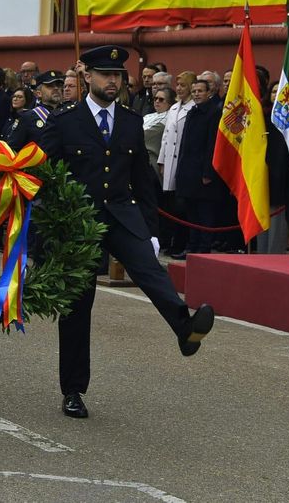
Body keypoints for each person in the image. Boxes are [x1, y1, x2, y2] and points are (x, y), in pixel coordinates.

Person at [40, 45, 214, 419]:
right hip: (79, 220)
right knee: (77, 306)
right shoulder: (65, 120)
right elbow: (40, 169)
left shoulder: (133, 121)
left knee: (150, 270)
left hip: (121, 214)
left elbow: (143, 182)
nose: (112, 81)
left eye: (118, 75)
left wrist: (152, 229)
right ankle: (73, 389)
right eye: (105, 74)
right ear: (88, 76)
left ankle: (184, 328)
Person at [175, 78, 227, 255]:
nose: (196, 94)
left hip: (203, 173)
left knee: (204, 213)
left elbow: (212, 145)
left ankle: (203, 248)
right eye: (194, 91)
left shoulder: (213, 113)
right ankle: (192, 246)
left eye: (200, 91)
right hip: (189, 171)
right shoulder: (192, 112)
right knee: (191, 214)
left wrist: (208, 172)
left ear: (209, 93)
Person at [157, 71, 197, 257]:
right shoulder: (173, 109)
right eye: (178, 85)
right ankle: (173, 240)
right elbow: (166, 137)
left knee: (183, 208)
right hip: (170, 162)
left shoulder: (194, 107)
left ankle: (183, 242)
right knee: (171, 205)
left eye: (183, 85)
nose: (179, 89)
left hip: (184, 163)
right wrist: (162, 160)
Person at [6, 70, 63, 151]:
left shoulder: (68, 113)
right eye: (50, 86)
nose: (56, 88)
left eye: (59, 85)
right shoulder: (28, 117)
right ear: (39, 93)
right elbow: (13, 148)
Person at [143, 88, 172, 173]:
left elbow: (146, 135)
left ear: (169, 103)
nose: (157, 101)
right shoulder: (148, 116)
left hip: (152, 159)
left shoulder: (169, 117)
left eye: (161, 99)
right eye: (155, 98)